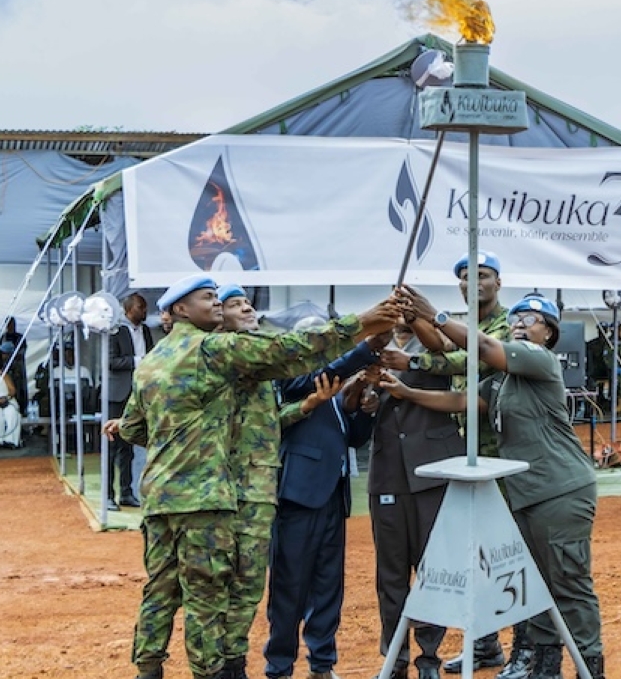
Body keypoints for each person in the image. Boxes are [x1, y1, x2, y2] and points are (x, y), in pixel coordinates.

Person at [102, 274, 399, 679]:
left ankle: (148, 669)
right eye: (210, 299)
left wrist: (178, 435)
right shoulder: (213, 348)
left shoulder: (151, 361)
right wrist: (361, 322)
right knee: (210, 596)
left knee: (160, 589)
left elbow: (134, 429)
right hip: (206, 499)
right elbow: (289, 349)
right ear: (179, 310)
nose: (219, 306)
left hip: (160, 496)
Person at [381, 289, 607, 679]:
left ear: (549, 334)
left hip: (560, 491)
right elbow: (462, 401)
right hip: (527, 494)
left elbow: (484, 345)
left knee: (568, 583)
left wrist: (436, 318)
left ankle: (592, 666)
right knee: (533, 584)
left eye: (531, 320)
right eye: (516, 319)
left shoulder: (540, 360)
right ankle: (546, 666)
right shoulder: (503, 381)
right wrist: (407, 392)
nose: (520, 325)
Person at [380, 251, 525, 679]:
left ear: (498, 281)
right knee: (473, 550)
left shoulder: (506, 324)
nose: (472, 282)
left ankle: (523, 647)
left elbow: (469, 357)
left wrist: (420, 351)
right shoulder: (461, 320)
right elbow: (441, 345)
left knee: (508, 550)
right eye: (465, 277)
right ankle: (485, 644)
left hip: (506, 450)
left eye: (482, 275)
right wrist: (415, 315)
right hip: (471, 449)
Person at [264, 318, 383, 679]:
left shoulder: (336, 386)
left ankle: (322, 664)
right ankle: (280, 667)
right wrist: (365, 351)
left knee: (329, 585)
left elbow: (352, 439)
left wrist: (364, 410)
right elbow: (319, 378)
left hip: (333, 495)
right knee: (289, 586)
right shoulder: (293, 375)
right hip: (299, 495)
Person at [368, 317, 466, 679]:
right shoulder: (370, 352)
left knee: (434, 570)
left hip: (434, 474)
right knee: (391, 574)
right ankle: (394, 657)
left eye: (405, 318)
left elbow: (440, 347)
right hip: (388, 475)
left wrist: (416, 316)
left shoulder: (433, 350)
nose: (399, 324)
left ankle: (429, 658)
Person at [107, 292, 155, 510]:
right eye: (140, 307)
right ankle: (108, 495)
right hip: (118, 394)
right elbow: (111, 361)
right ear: (128, 309)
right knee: (111, 446)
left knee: (129, 445)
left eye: (144, 308)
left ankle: (126, 493)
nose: (144, 312)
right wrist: (139, 361)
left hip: (139, 394)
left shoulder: (145, 331)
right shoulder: (115, 331)